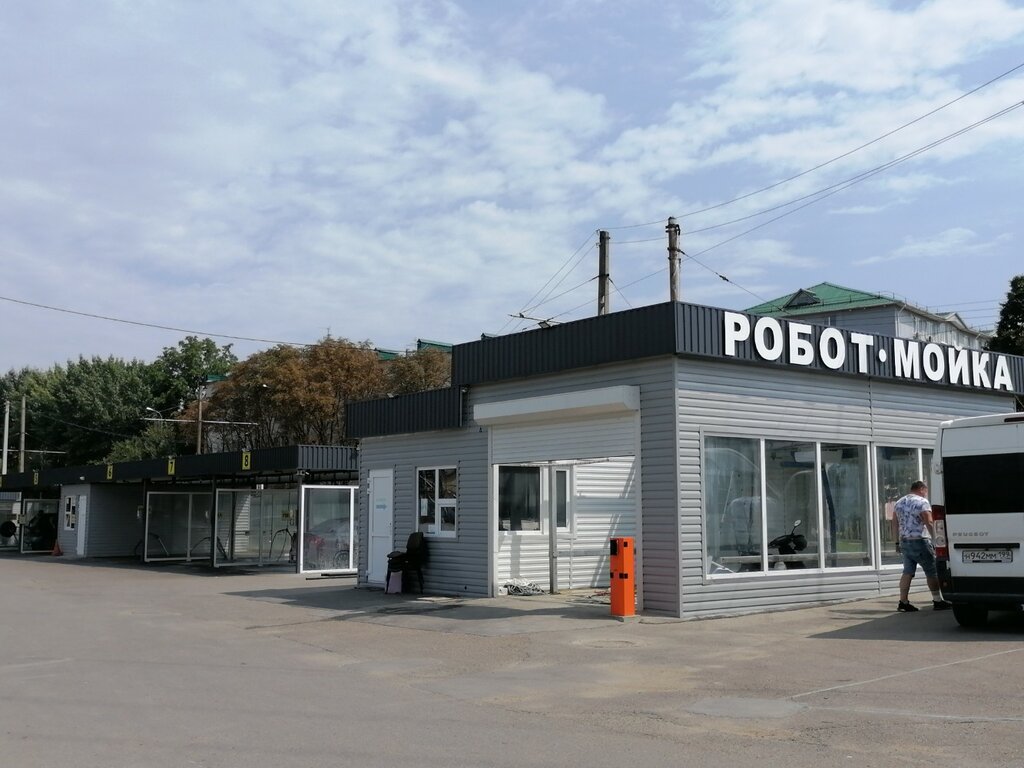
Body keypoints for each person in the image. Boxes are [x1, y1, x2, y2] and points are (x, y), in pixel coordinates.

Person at [893, 480, 951, 612]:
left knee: (907, 572)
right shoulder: (922, 502)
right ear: (921, 489)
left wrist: (896, 542)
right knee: (931, 571)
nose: (926, 494)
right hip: (920, 540)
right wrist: (937, 541)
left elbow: (895, 523)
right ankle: (937, 600)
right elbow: (929, 522)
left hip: (904, 541)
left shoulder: (899, 502)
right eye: (925, 491)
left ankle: (903, 602)